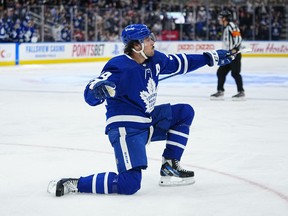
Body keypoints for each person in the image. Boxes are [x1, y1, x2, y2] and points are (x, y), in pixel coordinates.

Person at [48, 24, 235, 197]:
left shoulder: (155, 60)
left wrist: (210, 58)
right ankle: (75, 183)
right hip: (126, 128)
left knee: (184, 112)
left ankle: (170, 166)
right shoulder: (119, 66)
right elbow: (92, 91)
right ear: (137, 46)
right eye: (148, 39)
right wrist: (97, 90)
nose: (153, 41)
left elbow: (179, 62)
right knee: (129, 184)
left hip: (147, 121)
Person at [210, 10, 245, 100]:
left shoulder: (232, 26)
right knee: (220, 72)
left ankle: (241, 92)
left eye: (220, 18)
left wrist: (236, 49)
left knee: (235, 73)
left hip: (235, 55)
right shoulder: (226, 28)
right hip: (228, 55)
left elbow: (238, 38)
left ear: (224, 18)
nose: (219, 20)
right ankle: (220, 91)